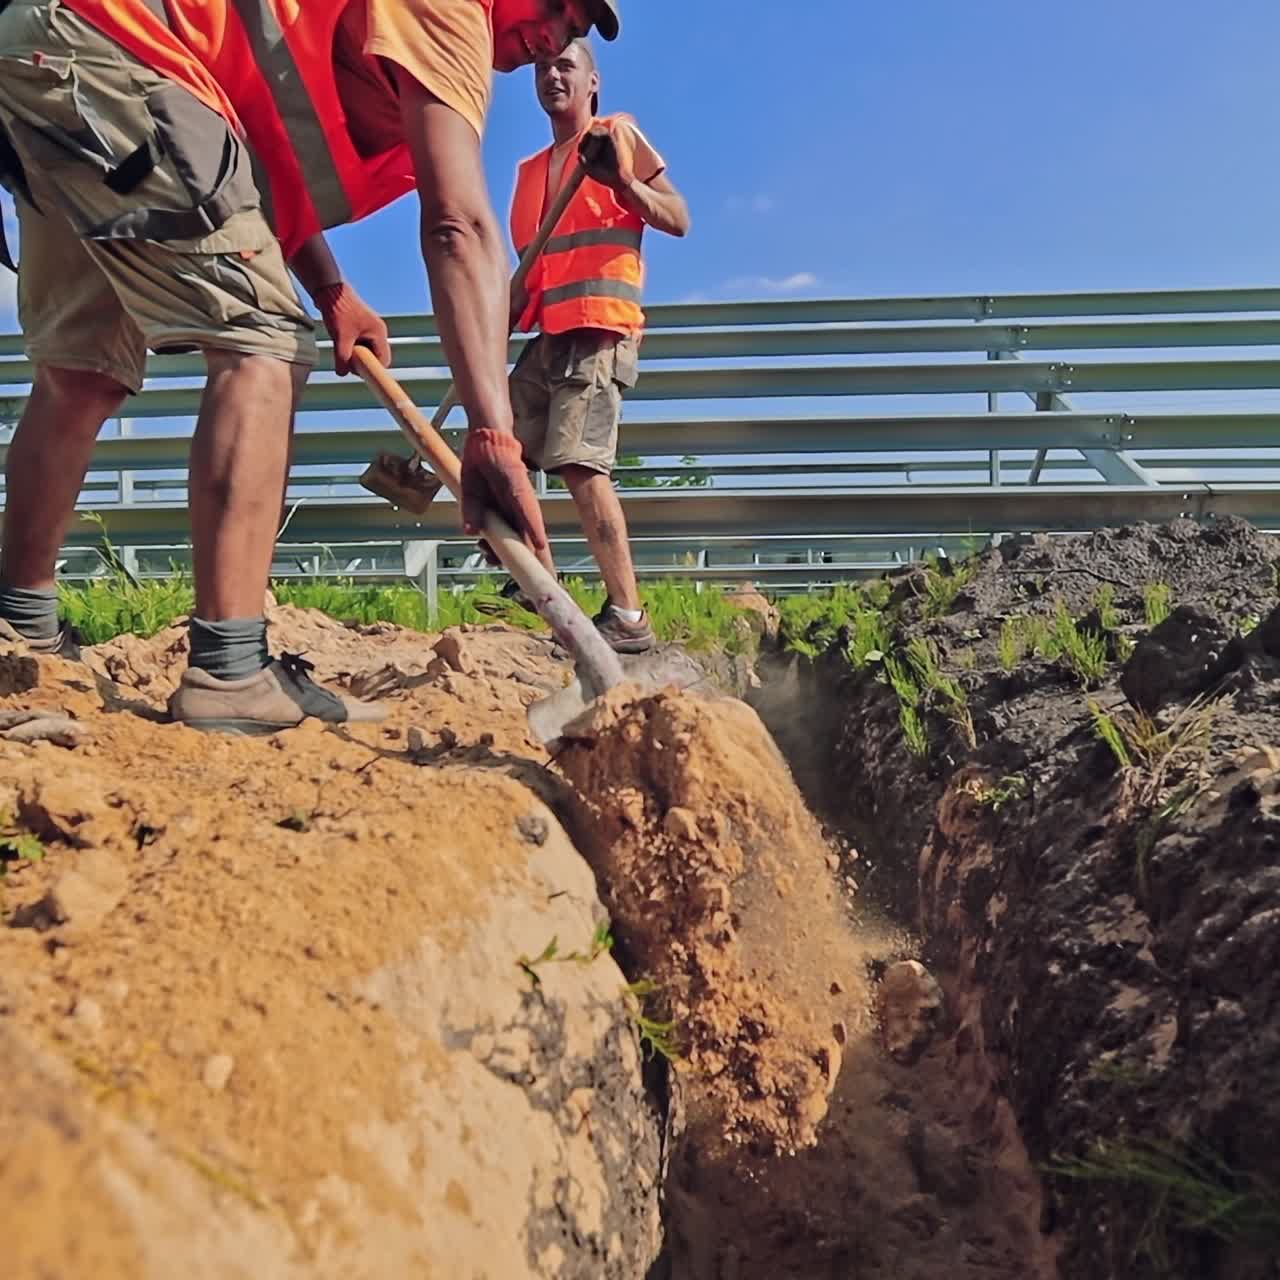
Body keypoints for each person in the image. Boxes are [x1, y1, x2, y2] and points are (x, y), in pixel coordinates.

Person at [0, 0, 619, 732]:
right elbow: (460, 224)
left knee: (83, 370)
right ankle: (230, 673)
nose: (555, 34)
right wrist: (493, 434)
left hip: (55, 44)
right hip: (124, 54)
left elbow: (248, 158)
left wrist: (331, 289)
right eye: (559, 5)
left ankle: (19, 626)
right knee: (263, 345)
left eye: (576, 28)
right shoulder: (454, 9)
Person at [505, 36, 688, 653]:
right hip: (549, 335)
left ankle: (629, 617)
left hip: (600, 328)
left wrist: (623, 186)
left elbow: (678, 217)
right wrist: (501, 314)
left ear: (593, 82)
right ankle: (537, 585)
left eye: (565, 65)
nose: (552, 75)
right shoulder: (532, 173)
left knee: (581, 463)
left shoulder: (615, 140)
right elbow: (534, 267)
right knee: (499, 446)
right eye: (542, 67)